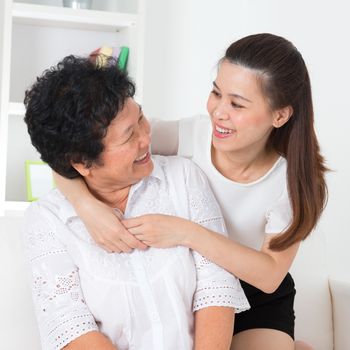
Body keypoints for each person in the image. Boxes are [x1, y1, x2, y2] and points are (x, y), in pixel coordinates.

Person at [54, 33, 327, 350]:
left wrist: (186, 232)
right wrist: (86, 206)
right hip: (190, 287)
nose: (219, 112)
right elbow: (75, 152)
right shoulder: (191, 134)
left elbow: (269, 276)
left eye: (237, 103)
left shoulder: (295, 180)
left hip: (257, 295)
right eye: (216, 93)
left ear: (279, 115)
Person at [23, 55, 250, 350]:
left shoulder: (182, 178)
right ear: (82, 163)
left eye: (141, 118)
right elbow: (69, 327)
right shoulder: (48, 220)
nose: (146, 138)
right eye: (129, 137)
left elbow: (216, 285)